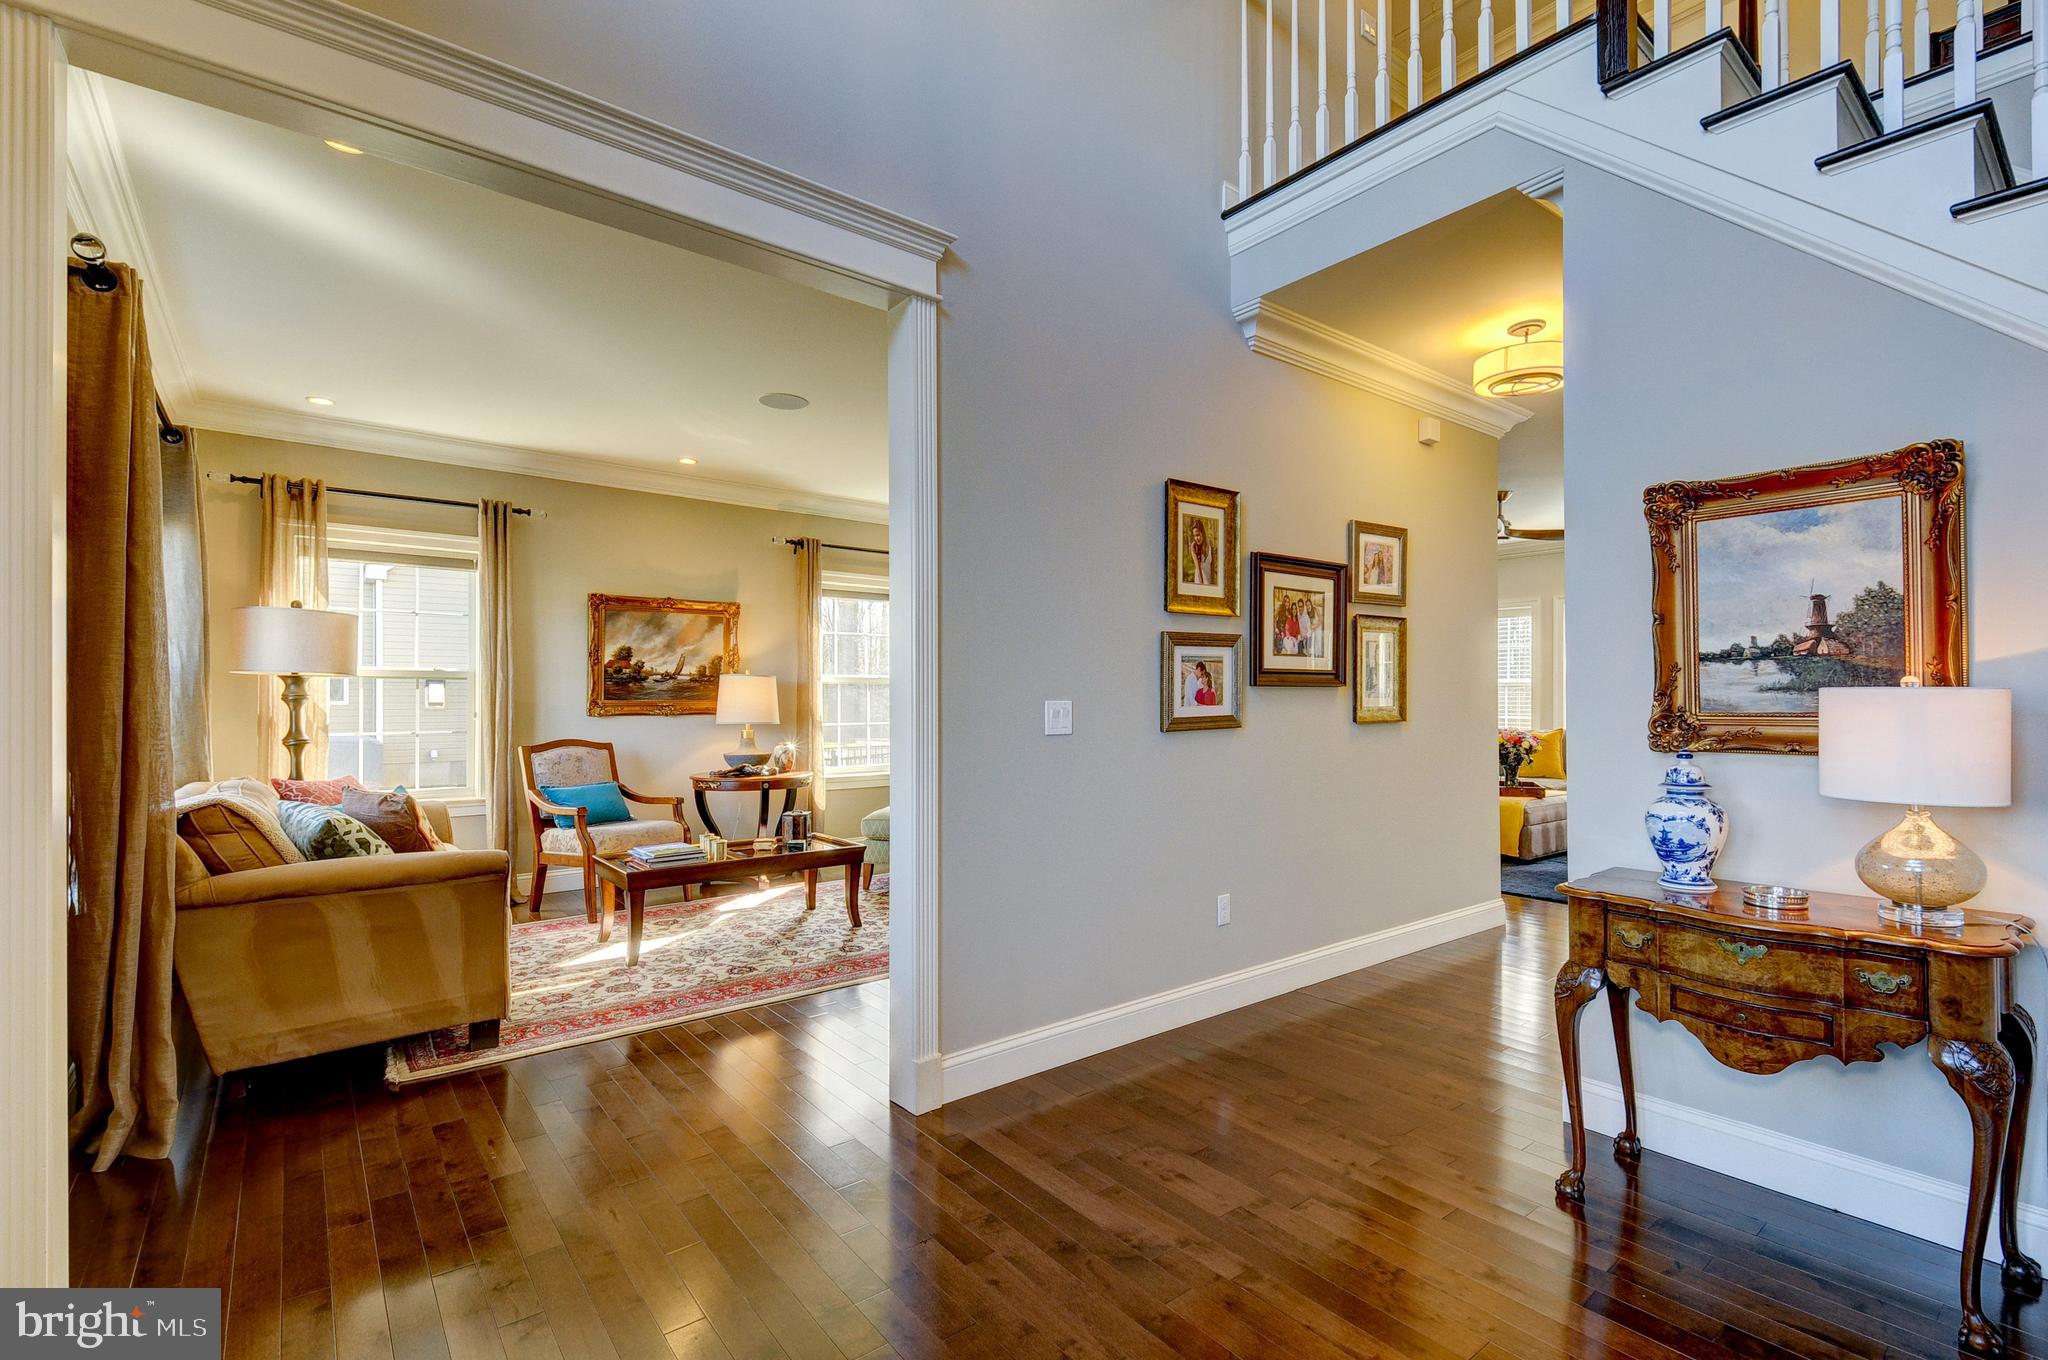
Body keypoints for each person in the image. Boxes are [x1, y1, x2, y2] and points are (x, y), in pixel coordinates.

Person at [1186, 518, 1216, 587]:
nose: (1196, 538)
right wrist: (1202, 586)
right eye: (1194, 536)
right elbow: (1198, 570)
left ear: (1202, 532)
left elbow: (1212, 567)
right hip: (1199, 581)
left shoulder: (1210, 544)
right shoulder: (1193, 546)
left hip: (1210, 581)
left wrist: (1213, 584)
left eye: (1198, 535)